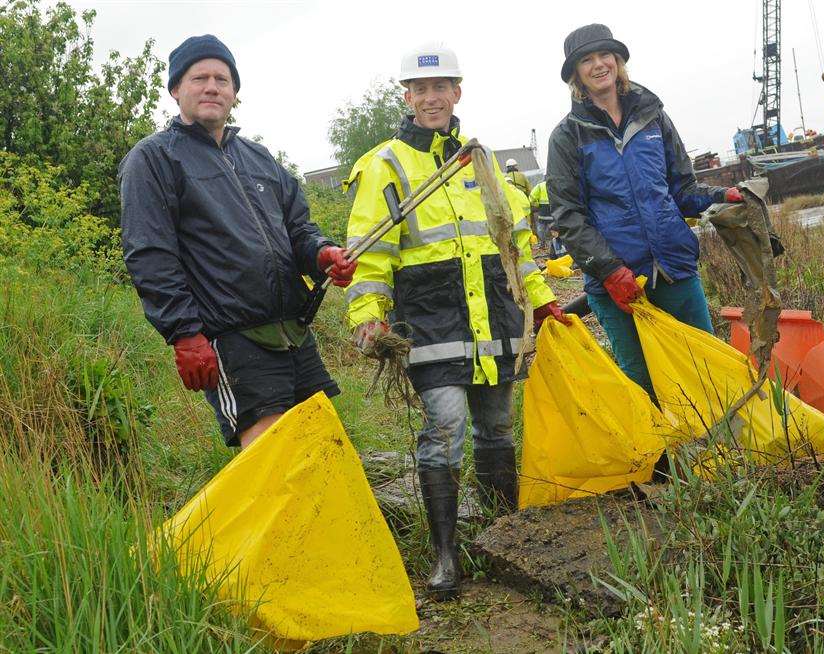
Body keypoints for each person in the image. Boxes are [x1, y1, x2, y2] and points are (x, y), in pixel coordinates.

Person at [343, 43, 568, 600]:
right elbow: (370, 255)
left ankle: (503, 537)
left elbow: (516, 246)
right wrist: (368, 315)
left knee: (496, 428)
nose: (431, 97)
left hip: (492, 318)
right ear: (407, 97)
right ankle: (446, 554)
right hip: (430, 321)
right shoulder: (386, 164)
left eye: (441, 87)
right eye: (420, 90)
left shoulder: (482, 160)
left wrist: (542, 303)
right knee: (446, 430)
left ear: (456, 92)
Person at [119, 34, 355, 449]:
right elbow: (150, 255)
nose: (212, 87)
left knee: (325, 449)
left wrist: (322, 254)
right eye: (199, 78)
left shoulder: (260, 158)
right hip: (232, 341)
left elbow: (298, 230)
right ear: (176, 90)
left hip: (295, 335)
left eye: (222, 79)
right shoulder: (153, 159)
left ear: (234, 93)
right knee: (273, 460)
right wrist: (185, 334)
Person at [547, 24, 744, 397]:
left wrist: (722, 195)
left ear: (618, 61)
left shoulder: (654, 117)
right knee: (643, 383)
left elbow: (682, 190)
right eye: (586, 60)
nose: (599, 65)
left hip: (674, 268)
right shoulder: (567, 136)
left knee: (709, 369)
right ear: (576, 74)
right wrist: (609, 270)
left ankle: (718, 452)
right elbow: (568, 216)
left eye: (605, 55)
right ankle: (663, 458)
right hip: (616, 285)